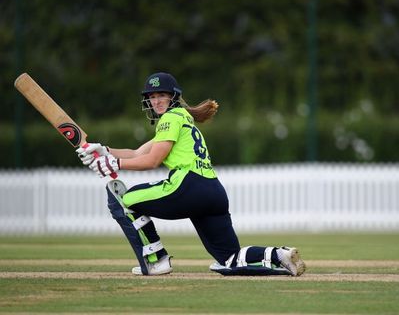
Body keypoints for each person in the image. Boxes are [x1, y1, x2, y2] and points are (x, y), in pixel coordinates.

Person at [76, 72, 306, 276]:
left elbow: (152, 160)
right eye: (152, 96)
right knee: (229, 259)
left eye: (161, 95)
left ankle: (157, 261)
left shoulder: (169, 120)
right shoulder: (182, 119)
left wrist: (113, 164)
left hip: (188, 185)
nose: (156, 101)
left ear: (173, 97)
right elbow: (137, 153)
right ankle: (279, 255)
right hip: (213, 192)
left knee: (124, 200)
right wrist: (104, 150)